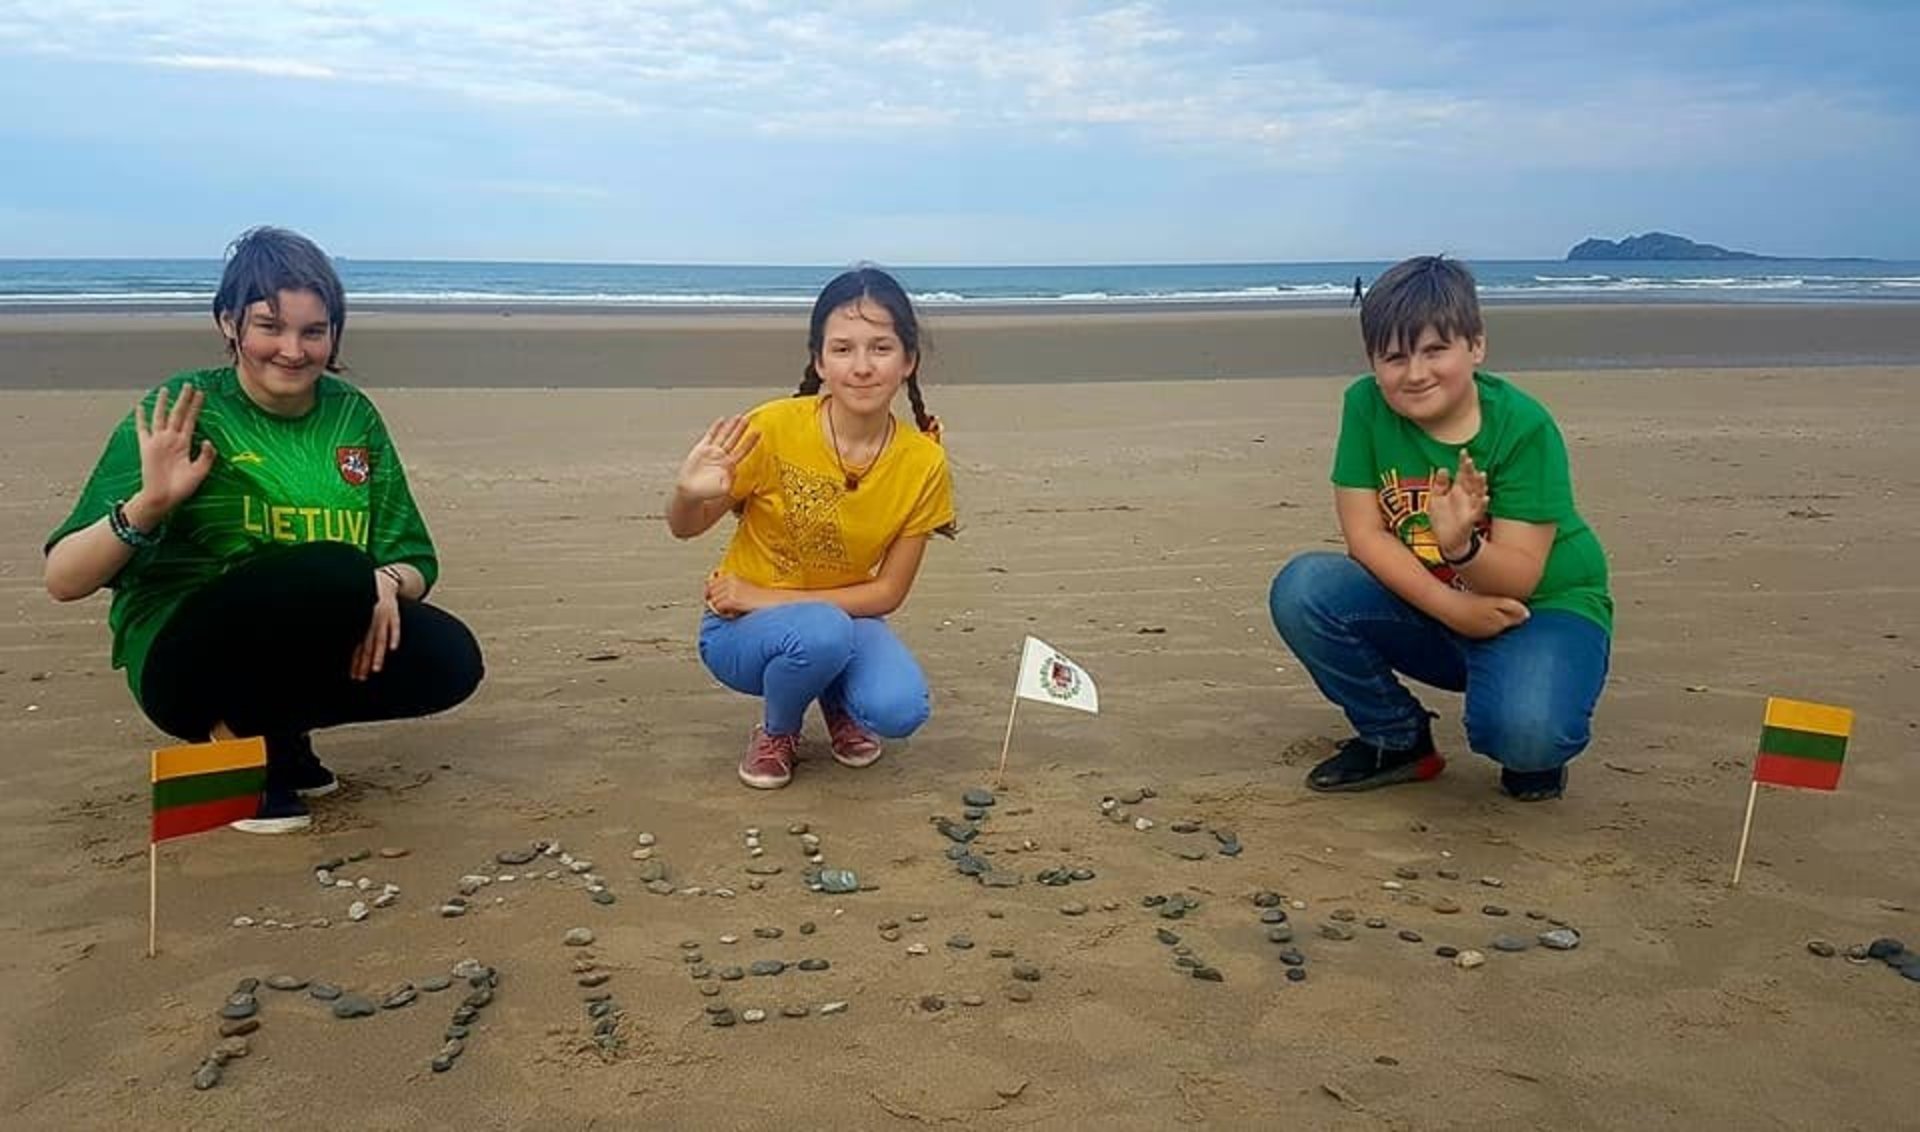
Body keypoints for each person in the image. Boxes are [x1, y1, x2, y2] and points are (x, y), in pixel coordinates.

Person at [43, 227, 484, 833]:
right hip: (181, 661)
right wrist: (150, 504)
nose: (293, 351)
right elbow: (63, 580)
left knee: (449, 657)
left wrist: (385, 579)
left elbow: (413, 558)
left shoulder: (351, 415)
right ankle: (236, 741)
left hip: (307, 626)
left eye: (313, 331)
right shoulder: (184, 410)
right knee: (334, 569)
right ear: (229, 323)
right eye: (269, 327)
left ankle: (279, 734)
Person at [1268, 255, 1611, 802]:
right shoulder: (1366, 406)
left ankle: (1530, 734)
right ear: (1373, 362)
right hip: (1438, 603)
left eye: (1435, 350)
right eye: (1394, 357)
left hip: (1538, 609)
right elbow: (1365, 535)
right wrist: (1452, 608)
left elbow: (1520, 577)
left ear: (1476, 345)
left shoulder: (1522, 426)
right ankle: (1397, 738)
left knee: (1526, 737)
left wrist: (1461, 545)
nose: (1415, 373)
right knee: (1305, 588)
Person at [667, 266, 956, 789]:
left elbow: (889, 592)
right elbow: (684, 529)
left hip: (827, 614)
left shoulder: (924, 462)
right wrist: (688, 494)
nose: (862, 367)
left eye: (881, 348)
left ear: (908, 360)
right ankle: (778, 730)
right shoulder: (773, 428)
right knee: (821, 633)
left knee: (899, 709)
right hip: (739, 628)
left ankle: (833, 693)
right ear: (819, 361)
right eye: (843, 349)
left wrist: (762, 596)